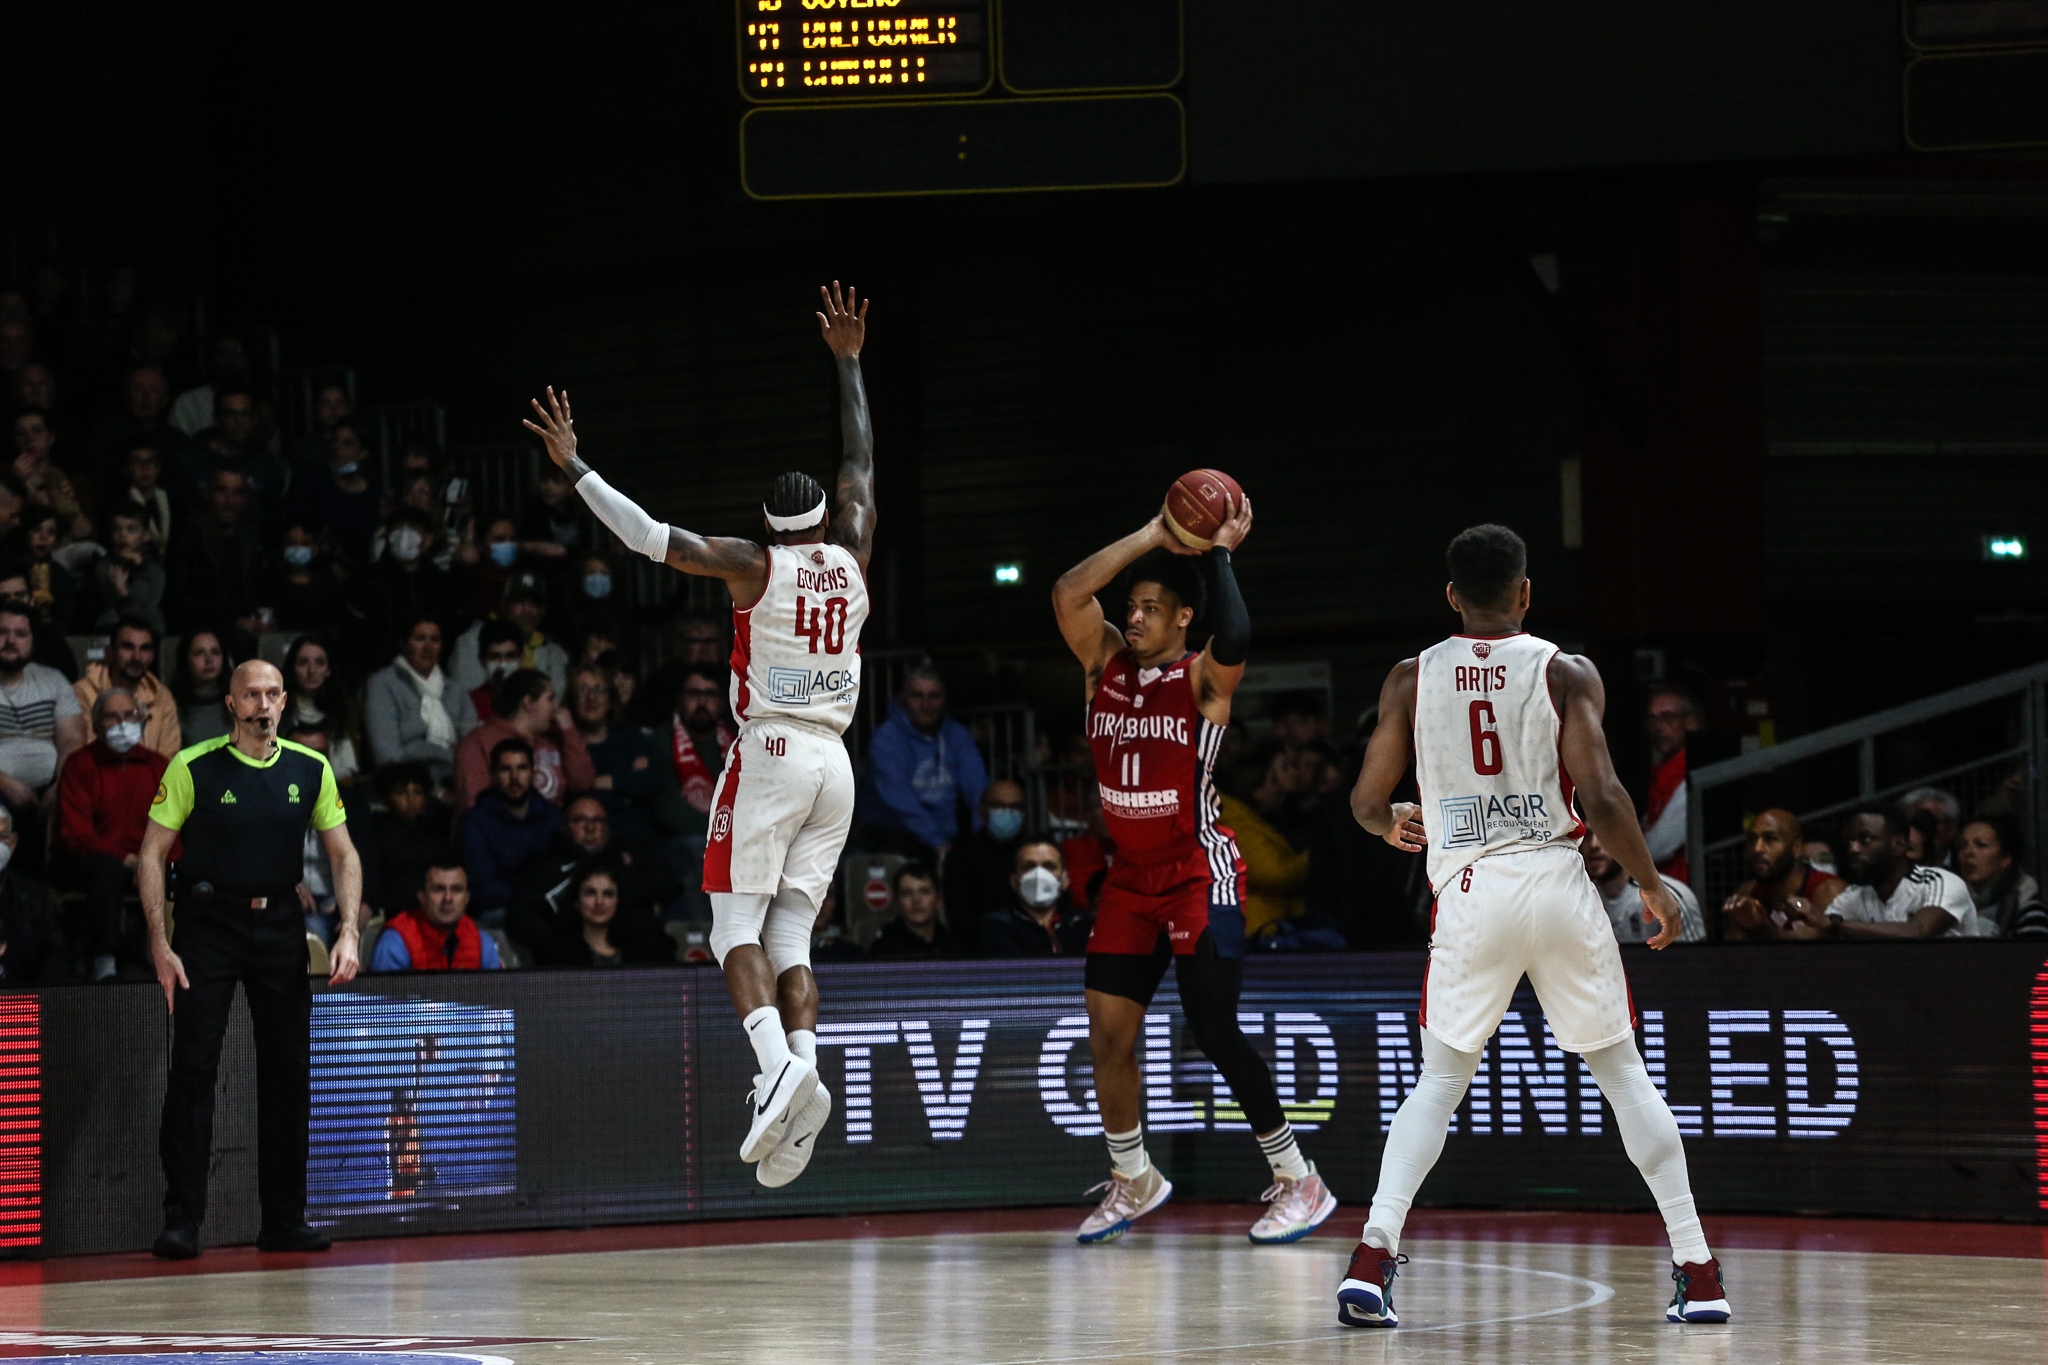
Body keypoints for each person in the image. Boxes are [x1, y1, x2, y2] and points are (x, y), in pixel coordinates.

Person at [523, 279, 875, 1188]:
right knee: (792, 937)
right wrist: (848, 362)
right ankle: (801, 1072)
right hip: (838, 763)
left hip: (772, 751)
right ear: (828, 523)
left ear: (769, 526)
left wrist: (575, 464)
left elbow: (648, 537)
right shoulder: (855, 551)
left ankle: (777, 1076)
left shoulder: (754, 565)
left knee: (729, 931)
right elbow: (861, 464)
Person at [1343, 523, 1728, 1327]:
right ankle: (1699, 1268)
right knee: (1624, 1078)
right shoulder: (1565, 671)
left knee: (1439, 1085)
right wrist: (1655, 887)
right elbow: (1606, 798)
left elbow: (1368, 803)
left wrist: (1395, 825)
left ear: (1451, 595)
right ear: (1525, 592)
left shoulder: (1411, 677)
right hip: (1555, 881)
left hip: (1472, 890)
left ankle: (1373, 1258)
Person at [1052, 491, 1336, 1247]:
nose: (1135, 616)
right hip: (1129, 881)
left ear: (1183, 620)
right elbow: (1067, 592)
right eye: (1132, 606)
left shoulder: (1201, 681)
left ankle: (1298, 1178)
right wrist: (1151, 532)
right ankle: (1134, 1175)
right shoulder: (1103, 663)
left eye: (1151, 606)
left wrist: (1218, 553)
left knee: (1212, 1026)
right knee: (1108, 1031)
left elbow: (1236, 631)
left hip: (1195, 873)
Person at [140, 659, 362, 1259]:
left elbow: (343, 855)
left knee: (288, 1074)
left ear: (284, 701)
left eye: (271, 695)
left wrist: (347, 931)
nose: (262, 705)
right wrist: (161, 942)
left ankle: (284, 1220)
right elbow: (151, 853)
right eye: (251, 696)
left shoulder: (310, 768)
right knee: (193, 1070)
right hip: (208, 927)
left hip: (281, 928)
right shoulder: (193, 765)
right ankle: (182, 1221)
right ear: (232, 705)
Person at [57, 686, 169, 980]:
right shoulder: (79, 764)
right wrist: (128, 860)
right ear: (95, 725)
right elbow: (77, 834)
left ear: (144, 722)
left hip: (148, 860)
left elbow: (173, 827)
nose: (122, 724)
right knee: (107, 869)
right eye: (111, 717)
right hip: (93, 861)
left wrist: (151, 863)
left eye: (130, 715)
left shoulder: (159, 766)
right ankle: (103, 961)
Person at [856, 667, 988, 864]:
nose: (926, 704)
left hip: (946, 836)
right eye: (917, 696)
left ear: (944, 700)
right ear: (902, 700)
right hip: (891, 838)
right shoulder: (886, 739)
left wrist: (984, 835)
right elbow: (900, 799)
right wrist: (938, 844)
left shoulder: (956, 735)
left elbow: (977, 787)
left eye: (934, 696)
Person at [1809, 801, 1979, 939]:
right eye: (1850, 841)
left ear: (1899, 845)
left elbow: (1917, 932)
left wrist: (1834, 924)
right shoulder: (1855, 896)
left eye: (1865, 840)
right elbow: (1815, 932)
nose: (1853, 849)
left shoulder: (1939, 882)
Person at [0, 604, 86, 868]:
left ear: (33, 641)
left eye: (21, 633)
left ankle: (45, 902)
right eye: (2, 631)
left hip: (51, 788)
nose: (11, 640)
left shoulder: (53, 680)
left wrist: (61, 783)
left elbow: (72, 741)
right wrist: (7, 784)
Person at [284, 721, 383, 943]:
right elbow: (259, 856)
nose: (313, 762)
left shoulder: (351, 803)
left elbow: (369, 859)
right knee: (311, 929)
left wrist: (366, 903)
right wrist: (290, 882)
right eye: (303, 754)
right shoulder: (268, 799)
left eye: (320, 754)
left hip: (337, 901)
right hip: (287, 898)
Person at [456, 737, 563, 927]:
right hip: (499, 911)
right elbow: (484, 889)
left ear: (533, 773)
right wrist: (534, 895)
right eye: (506, 769)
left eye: (522, 768)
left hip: (546, 905)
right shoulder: (474, 822)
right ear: (493, 775)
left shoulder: (551, 817)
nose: (515, 778)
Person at [452, 668, 593, 811]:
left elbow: (583, 784)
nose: (557, 706)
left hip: (552, 828)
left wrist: (569, 731)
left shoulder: (553, 740)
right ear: (528, 703)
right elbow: (474, 805)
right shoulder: (477, 743)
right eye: (550, 699)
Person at [572, 662, 676, 848]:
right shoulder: (567, 744)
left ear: (610, 699)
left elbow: (652, 782)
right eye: (583, 690)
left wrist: (603, 781)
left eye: (599, 689)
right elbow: (572, 791)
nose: (591, 697)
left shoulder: (630, 737)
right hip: (583, 841)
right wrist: (627, 785)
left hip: (634, 838)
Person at [363, 616, 478, 784]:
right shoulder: (383, 684)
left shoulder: (454, 689)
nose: (428, 647)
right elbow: (387, 755)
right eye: (420, 639)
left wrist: (412, 749)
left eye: (434, 640)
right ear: (404, 644)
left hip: (456, 780)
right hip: (405, 784)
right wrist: (446, 757)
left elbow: (471, 745)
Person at [1219, 744, 1312, 941]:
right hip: (1258, 930)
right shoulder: (1235, 822)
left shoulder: (1264, 818)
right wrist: (1317, 853)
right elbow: (1275, 874)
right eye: (1275, 779)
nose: (1285, 781)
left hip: (1268, 926)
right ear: (1255, 788)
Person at [1719, 808, 1846, 942]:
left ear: (1797, 848)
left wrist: (1762, 928)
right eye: (1752, 839)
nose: (1757, 848)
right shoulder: (1748, 892)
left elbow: (1806, 952)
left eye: (1770, 839)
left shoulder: (1829, 890)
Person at [164, 468, 264, 630]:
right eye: (221, 491)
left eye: (237, 492)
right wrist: (233, 622)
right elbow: (179, 601)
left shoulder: (253, 541)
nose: (229, 500)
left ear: (246, 499)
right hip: (198, 635)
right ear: (207, 494)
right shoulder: (187, 540)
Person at [448, 574, 568, 699]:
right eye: (519, 601)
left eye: (534, 602)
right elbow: (463, 696)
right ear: (504, 606)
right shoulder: (471, 641)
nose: (527, 609)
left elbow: (555, 700)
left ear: (542, 610)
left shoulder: (553, 653)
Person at [74, 616, 180, 757]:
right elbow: (85, 754)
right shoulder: (83, 693)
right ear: (110, 652)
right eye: (128, 647)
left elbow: (168, 758)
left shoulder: (162, 696)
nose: (136, 657)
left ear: (152, 656)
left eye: (144, 649)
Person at [371, 858, 502, 971]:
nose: (448, 898)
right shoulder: (396, 941)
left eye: (456, 889)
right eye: (438, 889)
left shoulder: (482, 942)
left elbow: (497, 996)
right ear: (422, 897)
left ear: (467, 898)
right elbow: (387, 999)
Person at [1581, 831, 1704, 943]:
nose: (1593, 845)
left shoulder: (1668, 897)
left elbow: (1696, 962)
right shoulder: (1579, 898)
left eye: (1604, 835)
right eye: (1586, 836)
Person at [287, 416, 379, 565]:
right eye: (335, 440)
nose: (338, 447)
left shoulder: (371, 493)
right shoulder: (311, 482)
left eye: (347, 443)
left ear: (363, 452)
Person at [977, 840, 1092, 955]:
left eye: (1049, 866)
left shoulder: (1083, 925)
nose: (1039, 874)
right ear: (1014, 882)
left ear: (1065, 880)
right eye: (1028, 867)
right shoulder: (997, 926)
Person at [939, 778, 1029, 923]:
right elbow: (959, 916)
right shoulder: (961, 856)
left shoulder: (1032, 852)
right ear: (982, 809)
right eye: (998, 806)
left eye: (1015, 807)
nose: (1007, 812)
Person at [553, 862, 673, 967]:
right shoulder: (560, 954)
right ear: (576, 900)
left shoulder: (643, 949)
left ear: (618, 900)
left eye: (608, 894)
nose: (599, 902)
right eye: (590, 893)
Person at [368, 763, 450, 913]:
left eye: (418, 792)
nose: (410, 799)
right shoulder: (375, 831)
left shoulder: (435, 830)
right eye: (401, 793)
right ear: (387, 798)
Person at [1639, 685, 1701, 883]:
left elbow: (1659, 846)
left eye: (1667, 717)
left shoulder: (1692, 766)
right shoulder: (1662, 768)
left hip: (1681, 886)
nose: (1657, 726)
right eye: (1652, 719)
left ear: (1690, 722)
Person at [0, 804, 66, 985]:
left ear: (12, 843)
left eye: (1, 837)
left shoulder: (33, 895)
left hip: (21, 1002)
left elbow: (53, 953)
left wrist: (44, 999)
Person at [282, 634, 361, 785]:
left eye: (320, 663)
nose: (312, 671)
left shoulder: (343, 708)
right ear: (292, 668)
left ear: (328, 670)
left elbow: (348, 772)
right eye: (303, 663)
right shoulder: (276, 708)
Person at [666, 662, 734, 834]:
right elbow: (667, 809)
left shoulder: (738, 745)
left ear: (722, 702)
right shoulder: (663, 741)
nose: (702, 702)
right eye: (694, 694)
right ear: (680, 700)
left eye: (710, 694)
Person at [1955, 811, 2047, 939]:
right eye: (1962, 845)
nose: (1968, 852)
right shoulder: (1949, 908)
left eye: (1981, 845)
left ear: (2006, 858)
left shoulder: (2028, 912)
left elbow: (2036, 958)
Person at [88, 505, 166, 633]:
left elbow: (146, 612)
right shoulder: (104, 567)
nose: (122, 535)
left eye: (131, 530)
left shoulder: (155, 570)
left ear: (146, 535)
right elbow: (111, 610)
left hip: (148, 631)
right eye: (116, 529)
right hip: (112, 629)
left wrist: (138, 571)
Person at [869, 862, 956, 957]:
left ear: (938, 900)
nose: (916, 900)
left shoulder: (953, 945)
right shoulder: (883, 951)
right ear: (897, 903)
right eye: (907, 893)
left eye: (924, 892)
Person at [170, 630, 233, 746]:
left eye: (215, 652)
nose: (209, 659)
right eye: (199, 653)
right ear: (186, 660)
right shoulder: (170, 706)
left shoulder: (239, 704)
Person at [466, 618, 525, 720]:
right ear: (482, 660)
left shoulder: (534, 701)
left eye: (510, 656)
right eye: (495, 657)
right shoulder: (469, 703)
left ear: (521, 658)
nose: (502, 665)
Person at [1900, 786, 1962, 869]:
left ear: (1951, 828)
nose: (1923, 829)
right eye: (1914, 822)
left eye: (1930, 821)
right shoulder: (1891, 867)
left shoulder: (1964, 864)